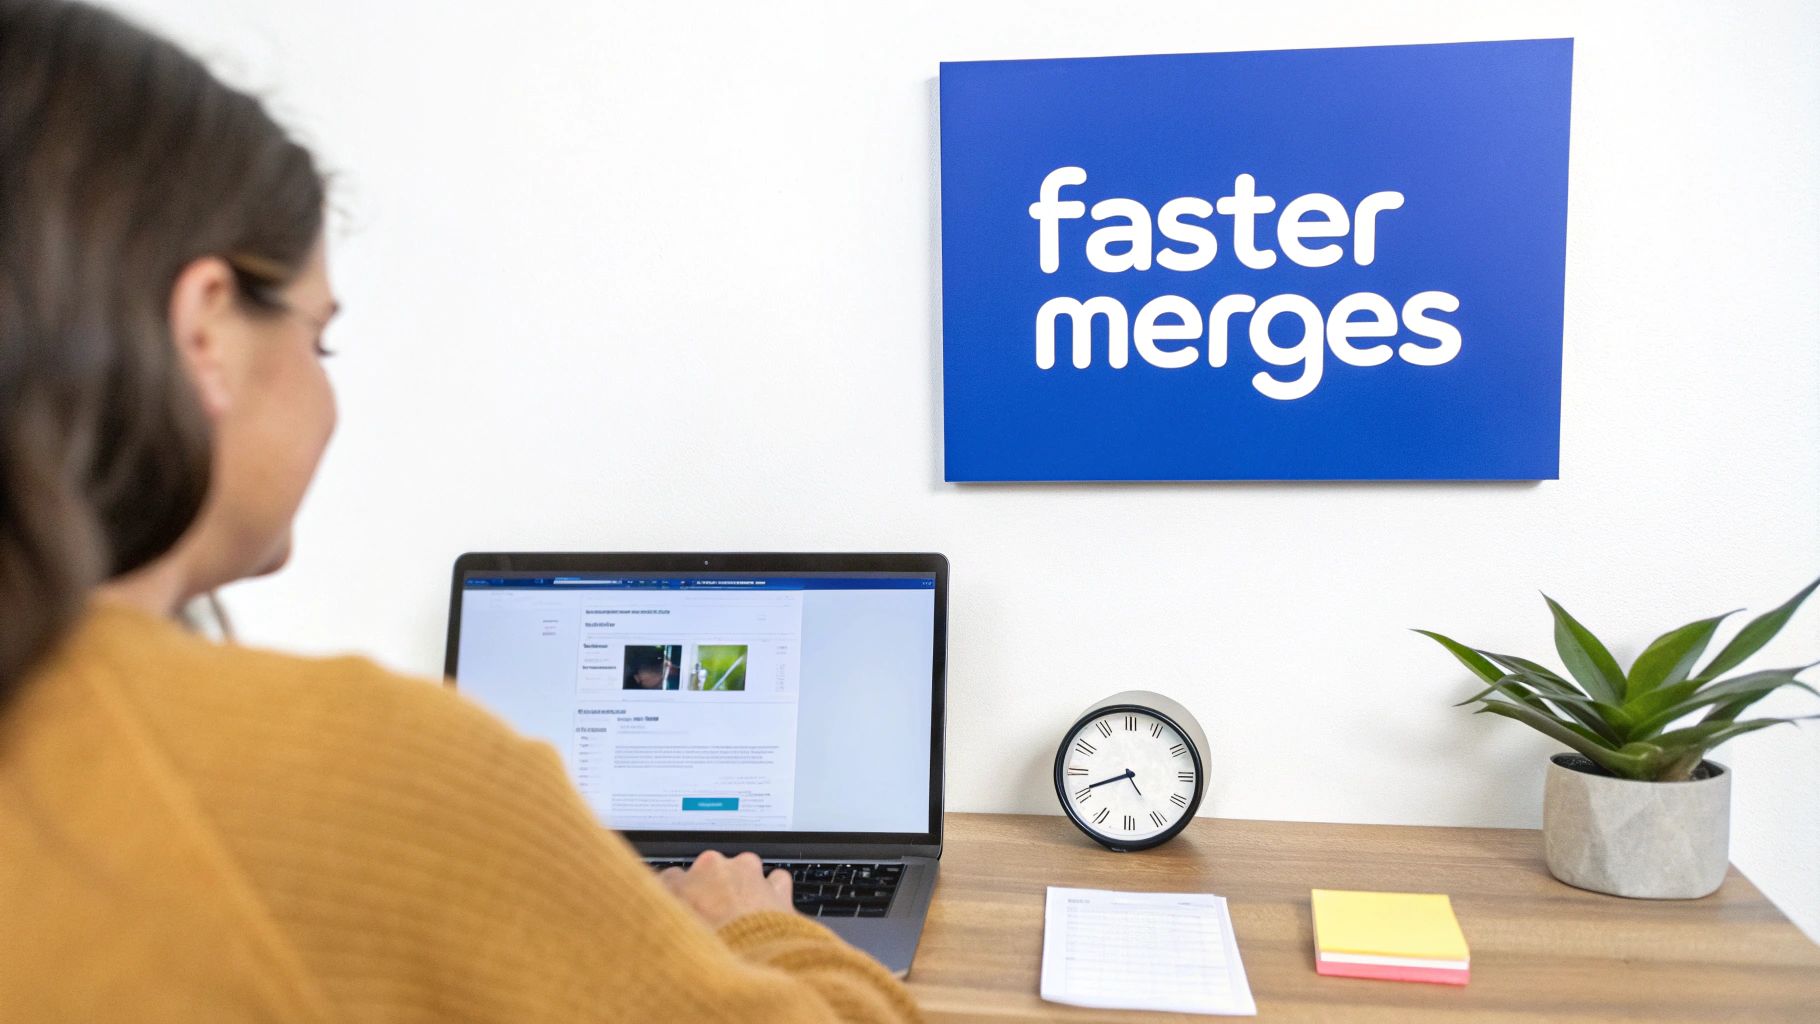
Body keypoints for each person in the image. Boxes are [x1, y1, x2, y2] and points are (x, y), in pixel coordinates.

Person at [0, 2, 921, 1021]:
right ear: (206, 328)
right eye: (322, 339)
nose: (326, 391)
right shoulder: (365, 778)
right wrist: (757, 926)